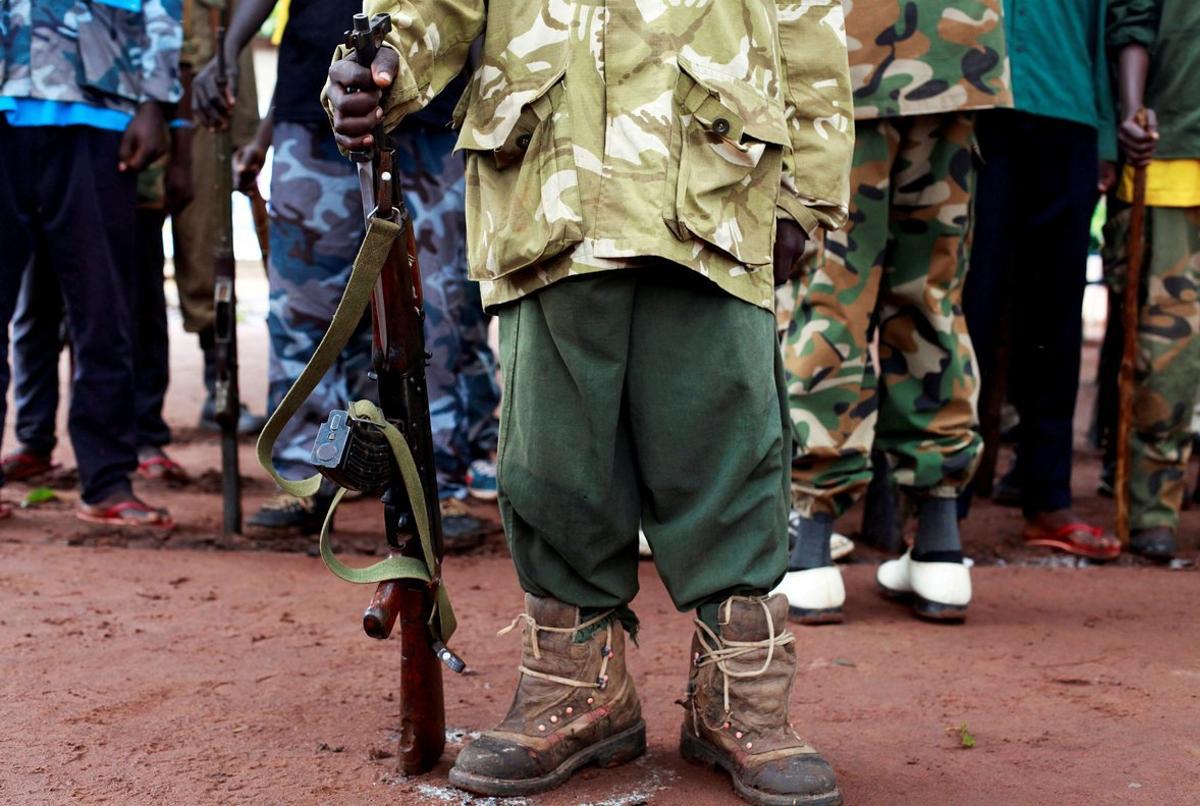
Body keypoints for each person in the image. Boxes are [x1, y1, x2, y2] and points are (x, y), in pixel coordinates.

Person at [327, 1, 853, 802]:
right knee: (553, 456)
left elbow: (808, 19)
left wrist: (805, 195)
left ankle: (742, 695)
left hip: (712, 179)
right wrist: (381, 66)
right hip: (552, 180)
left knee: (726, 437)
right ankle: (574, 684)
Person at [193, 0, 498, 543]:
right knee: (304, 307)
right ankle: (306, 474)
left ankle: (437, 485)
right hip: (312, 114)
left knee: (441, 308)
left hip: (435, 115)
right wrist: (225, 49)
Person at [775, 0, 1011, 624]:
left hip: (838, 56)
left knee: (832, 296)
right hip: (955, 54)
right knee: (931, 294)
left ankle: (811, 545)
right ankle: (939, 544)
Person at [0, 0, 182, 526]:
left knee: (103, 308)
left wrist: (155, 103)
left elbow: (162, 8)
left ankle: (106, 481)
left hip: (99, 108)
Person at [959, 0, 1121, 560]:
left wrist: (1105, 135)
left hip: (1069, 115)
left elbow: (1101, 25)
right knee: (966, 307)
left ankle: (1047, 497)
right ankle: (938, 501)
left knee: (1054, 316)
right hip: (976, 111)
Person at [1103, 0, 1200, 561]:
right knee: (1170, 352)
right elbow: (1133, 20)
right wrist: (1134, 110)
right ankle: (1154, 507)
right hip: (1174, 158)